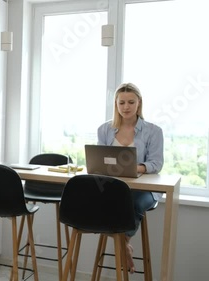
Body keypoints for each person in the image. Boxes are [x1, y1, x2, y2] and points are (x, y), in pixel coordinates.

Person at [97, 82, 163, 273]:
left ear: (139, 104)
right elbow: (100, 158)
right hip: (113, 185)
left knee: (131, 201)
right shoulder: (104, 130)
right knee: (96, 199)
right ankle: (124, 247)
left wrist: (137, 167)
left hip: (142, 190)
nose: (126, 107)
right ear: (116, 104)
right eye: (122, 102)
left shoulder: (153, 131)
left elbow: (156, 164)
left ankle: (123, 242)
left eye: (131, 102)